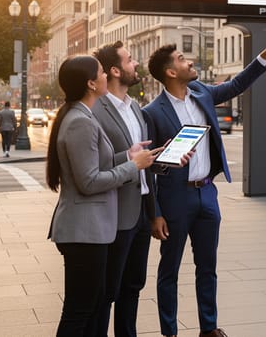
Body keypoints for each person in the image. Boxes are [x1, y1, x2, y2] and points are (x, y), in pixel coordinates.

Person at [143, 28, 266, 337]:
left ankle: (208, 328)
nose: (189, 60)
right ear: (170, 71)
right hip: (174, 199)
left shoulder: (202, 93)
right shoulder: (152, 112)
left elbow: (235, 85)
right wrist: (154, 212)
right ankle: (169, 331)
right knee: (169, 270)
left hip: (206, 194)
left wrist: (263, 56)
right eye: (182, 58)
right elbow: (146, 167)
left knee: (207, 267)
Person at [46, 55, 161, 337]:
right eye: (101, 73)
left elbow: (95, 163)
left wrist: (128, 155)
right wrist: (132, 166)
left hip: (91, 231)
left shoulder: (80, 115)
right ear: (90, 83)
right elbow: (89, 181)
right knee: (80, 310)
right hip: (84, 231)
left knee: (90, 305)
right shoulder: (80, 121)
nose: (106, 77)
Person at [91, 41, 155, 337]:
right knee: (107, 290)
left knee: (134, 285)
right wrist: (131, 159)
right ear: (115, 70)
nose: (136, 64)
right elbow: (98, 163)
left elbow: (142, 159)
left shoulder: (136, 107)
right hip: (115, 214)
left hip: (141, 210)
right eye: (130, 60)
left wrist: (164, 160)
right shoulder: (97, 110)